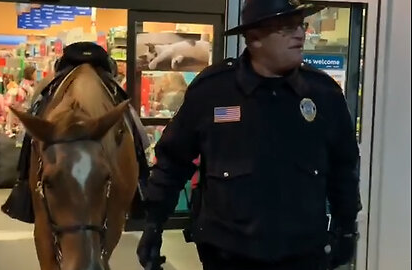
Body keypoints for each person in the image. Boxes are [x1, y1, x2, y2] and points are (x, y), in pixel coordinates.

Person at [136, 0, 362, 270]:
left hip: (303, 254)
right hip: (227, 254)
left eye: (300, 25)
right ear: (254, 38)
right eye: (286, 28)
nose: (300, 34)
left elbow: (343, 167)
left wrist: (346, 227)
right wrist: (154, 223)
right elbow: (173, 161)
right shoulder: (213, 91)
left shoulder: (323, 94)